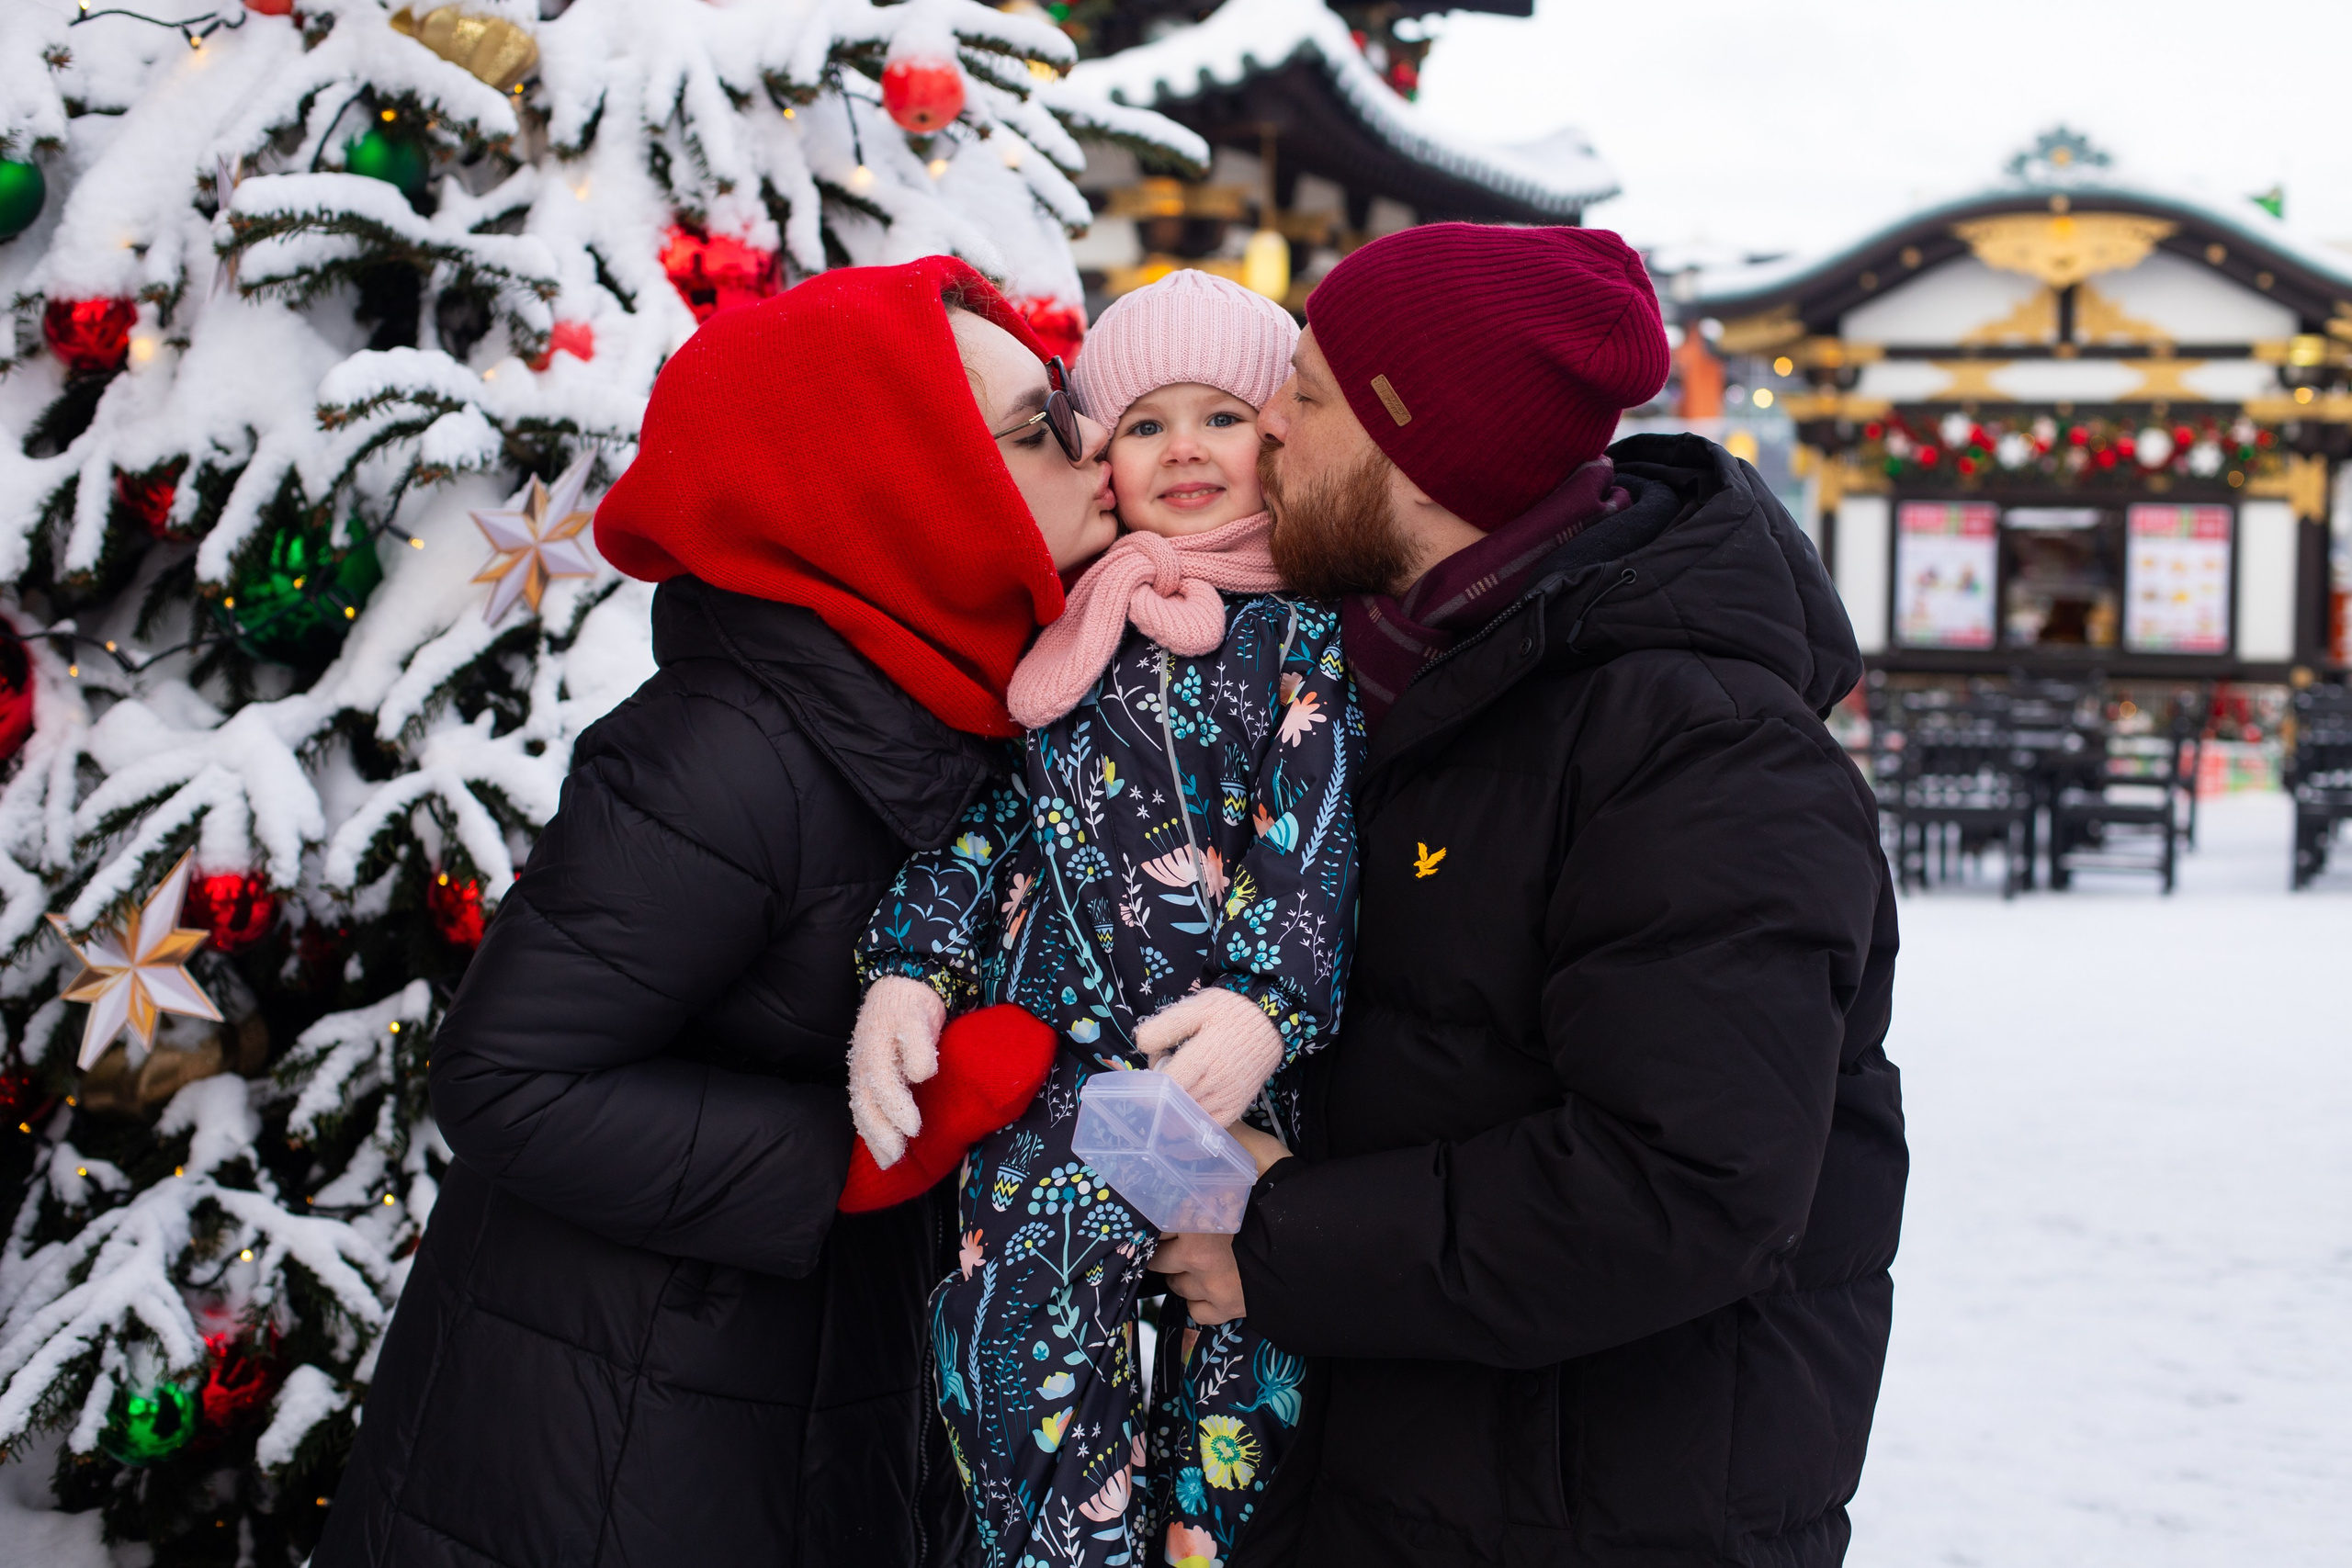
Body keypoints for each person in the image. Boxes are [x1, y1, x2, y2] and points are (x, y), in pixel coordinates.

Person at [313, 257, 1115, 1568]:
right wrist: (840, 1165)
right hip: (616, 1441)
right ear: (899, 487)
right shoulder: (729, 749)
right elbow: (505, 1074)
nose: (1096, 461)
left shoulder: (958, 711)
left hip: (793, 1407)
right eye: (1044, 430)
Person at [1152, 224, 1906, 1566]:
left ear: (1425, 459)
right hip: (1410, 1475)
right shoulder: (1389, 680)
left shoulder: (1697, 746)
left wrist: (1281, 1243)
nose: (1265, 427)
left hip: (1595, 1511)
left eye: (1309, 396)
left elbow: (1690, 1184)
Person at [848, 269, 1362, 1568]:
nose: (1182, 448)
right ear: (1103, 460)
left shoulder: (1305, 636)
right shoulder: (1064, 639)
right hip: (1062, 1080)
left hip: (1224, 1093)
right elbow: (990, 823)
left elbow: (1318, 832)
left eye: (1219, 416)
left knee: (1236, 1368)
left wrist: (1268, 1005)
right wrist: (913, 967)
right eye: (1142, 424)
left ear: (1277, 439)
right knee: (1009, 1330)